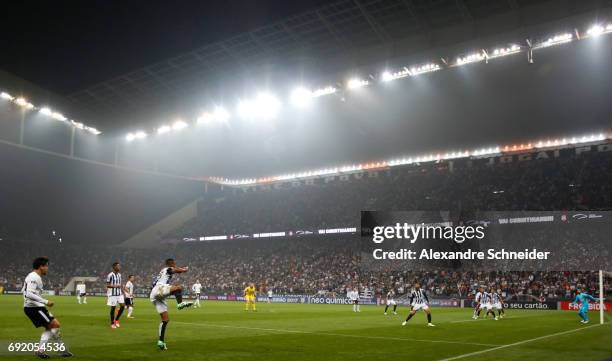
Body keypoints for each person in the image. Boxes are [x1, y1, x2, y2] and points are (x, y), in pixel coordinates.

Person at [22, 257, 72, 358]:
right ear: (41, 266)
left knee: (54, 326)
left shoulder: (34, 276)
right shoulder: (33, 277)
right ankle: (41, 350)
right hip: (34, 308)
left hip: (37, 307)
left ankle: (61, 350)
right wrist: (45, 301)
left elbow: (23, 290)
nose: (47, 268)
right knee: (54, 325)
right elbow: (28, 293)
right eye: (46, 266)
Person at [149, 258, 193, 350]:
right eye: (174, 263)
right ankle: (180, 304)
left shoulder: (162, 273)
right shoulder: (167, 269)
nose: (175, 265)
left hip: (155, 295)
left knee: (165, 320)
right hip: (159, 288)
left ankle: (161, 341)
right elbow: (174, 270)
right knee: (179, 287)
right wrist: (184, 269)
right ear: (171, 264)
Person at [106, 262, 125, 329]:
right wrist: (115, 286)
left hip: (119, 294)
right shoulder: (110, 275)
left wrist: (123, 291)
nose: (119, 267)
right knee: (113, 308)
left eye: (119, 266)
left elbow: (120, 284)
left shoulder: (119, 275)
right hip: (112, 294)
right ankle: (112, 323)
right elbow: (107, 285)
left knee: (123, 306)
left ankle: (116, 320)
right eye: (118, 266)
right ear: (114, 267)